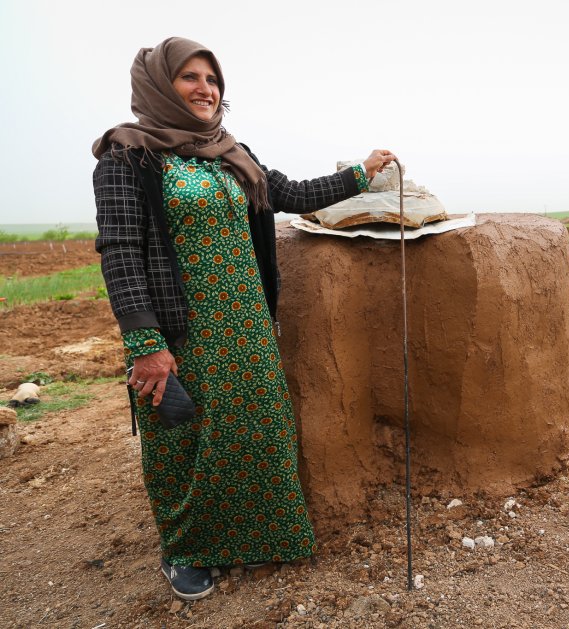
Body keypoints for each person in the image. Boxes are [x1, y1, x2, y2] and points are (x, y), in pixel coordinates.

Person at [92, 36, 396, 600]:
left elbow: (290, 192)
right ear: (161, 84)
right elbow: (120, 251)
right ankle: (186, 549)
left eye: (212, 80)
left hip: (247, 320)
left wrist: (360, 172)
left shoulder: (231, 151)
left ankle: (258, 536)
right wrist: (145, 343)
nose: (204, 90)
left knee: (255, 428)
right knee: (184, 438)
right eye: (189, 77)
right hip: (179, 327)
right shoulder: (128, 155)